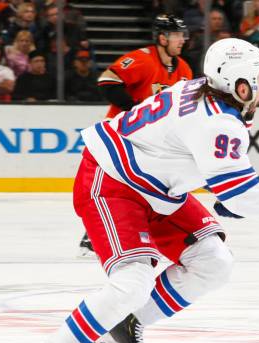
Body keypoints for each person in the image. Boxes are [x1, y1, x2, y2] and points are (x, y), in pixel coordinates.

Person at [17, 38, 259, 343]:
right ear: (239, 85)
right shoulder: (219, 122)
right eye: (258, 79)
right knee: (132, 282)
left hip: (157, 189)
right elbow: (238, 188)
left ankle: (129, 322)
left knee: (214, 262)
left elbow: (207, 167)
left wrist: (249, 199)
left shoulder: (204, 93)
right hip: (112, 183)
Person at [78, 14, 193, 256]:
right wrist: (133, 110)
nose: (182, 39)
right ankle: (96, 234)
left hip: (152, 137)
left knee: (152, 183)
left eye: (183, 34)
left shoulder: (183, 68)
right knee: (118, 186)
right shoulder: (142, 59)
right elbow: (108, 80)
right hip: (121, 133)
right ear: (162, 38)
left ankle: (152, 230)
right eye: (176, 35)